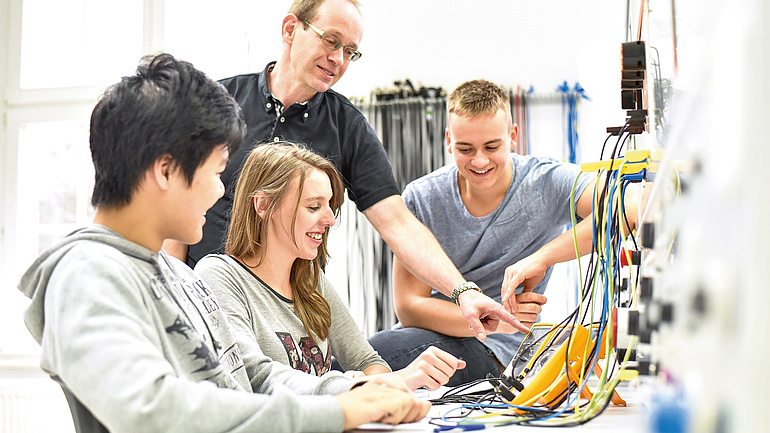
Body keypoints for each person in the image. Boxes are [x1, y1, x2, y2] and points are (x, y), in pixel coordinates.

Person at [17, 53, 429, 433]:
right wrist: (337, 412)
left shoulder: (181, 276)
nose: (219, 193)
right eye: (216, 172)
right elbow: (152, 410)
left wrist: (352, 393)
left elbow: (252, 374)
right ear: (165, 171)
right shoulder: (87, 274)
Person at [163, 0, 528, 340]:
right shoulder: (220, 104)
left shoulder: (346, 126)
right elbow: (178, 210)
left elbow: (397, 223)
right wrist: (173, 298)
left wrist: (462, 291)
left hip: (291, 322)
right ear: (291, 29)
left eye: (350, 51)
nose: (338, 59)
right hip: (206, 306)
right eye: (331, 41)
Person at [368, 79, 601, 386]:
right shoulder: (422, 197)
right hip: (434, 334)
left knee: (376, 355)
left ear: (513, 136)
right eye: (465, 149)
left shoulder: (548, 182)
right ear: (449, 141)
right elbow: (410, 307)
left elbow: (628, 210)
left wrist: (542, 258)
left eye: (492, 147)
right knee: (366, 355)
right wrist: (493, 323)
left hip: (502, 353)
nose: (480, 160)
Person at [195, 142, 466, 391]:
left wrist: (375, 381)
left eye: (329, 206)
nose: (329, 220)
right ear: (263, 205)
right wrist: (359, 386)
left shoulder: (311, 279)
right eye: (314, 207)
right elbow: (254, 374)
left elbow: (366, 361)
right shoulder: (219, 276)